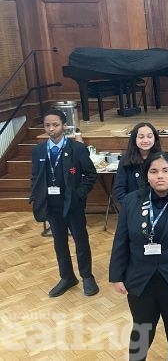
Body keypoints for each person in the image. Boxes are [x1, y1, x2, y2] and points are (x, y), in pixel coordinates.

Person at [109, 151, 168, 361]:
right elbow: (121, 240)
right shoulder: (132, 201)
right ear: (147, 175)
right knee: (142, 324)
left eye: (166, 170)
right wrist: (116, 275)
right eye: (154, 171)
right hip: (140, 276)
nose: (160, 176)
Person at [30, 109, 98, 298]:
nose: (51, 129)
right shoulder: (38, 150)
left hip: (72, 205)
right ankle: (67, 277)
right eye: (47, 125)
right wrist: (37, 195)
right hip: (51, 205)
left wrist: (80, 195)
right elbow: (35, 176)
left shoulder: (77, 149)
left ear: (64, 126)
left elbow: (90, 175)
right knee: (59, 243)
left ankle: (86, 276)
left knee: (81, 241)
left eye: (55, 125)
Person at [114, 122, 162, 205]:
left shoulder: (161, 159)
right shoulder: (125, 160)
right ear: (134, 139)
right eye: (141, 137)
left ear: (155, 138)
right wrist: (132, 206)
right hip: (132, 207)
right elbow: (119, 190)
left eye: (149, 136)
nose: (145, 140)